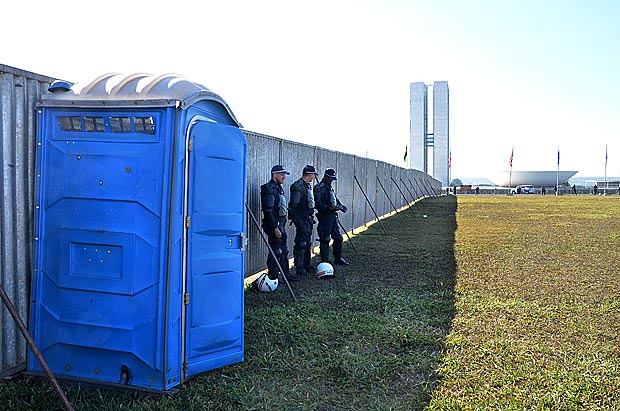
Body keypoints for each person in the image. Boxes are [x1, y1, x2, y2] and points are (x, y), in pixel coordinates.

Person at [260, 164, 299, 283]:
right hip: (273, 225)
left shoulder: (278, 187)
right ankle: (273, 277)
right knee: (276, 251)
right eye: (281, 174)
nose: (284, 177)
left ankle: (285, 274)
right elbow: (268, 210)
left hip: (280, 224)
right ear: (274, 174)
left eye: (284, 174)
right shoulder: (269, 188)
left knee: (284, 250)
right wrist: (275, 227)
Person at [314, 168, 349, 266]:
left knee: (338, 238)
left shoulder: (329, 188)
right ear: (326, 177)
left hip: (332, 217)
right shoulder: (319, 188)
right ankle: (324, 261)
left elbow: (334, 199)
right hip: (324, 218)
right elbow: (318, 205)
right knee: (325, 239)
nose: (332, 181)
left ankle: (338, 258)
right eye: (330, 178)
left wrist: (340, 206)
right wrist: (331, 209)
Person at [288, 165, 319, 276]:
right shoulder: (298, 186)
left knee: (307, 242)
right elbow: (293, 205)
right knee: (301, 243)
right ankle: (299, 267)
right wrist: (298, 220)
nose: (314, 177)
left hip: (308, 219)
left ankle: (307, 264)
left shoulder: (307, 186)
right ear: (310, 174)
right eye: (314, 175)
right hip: (301, 218)